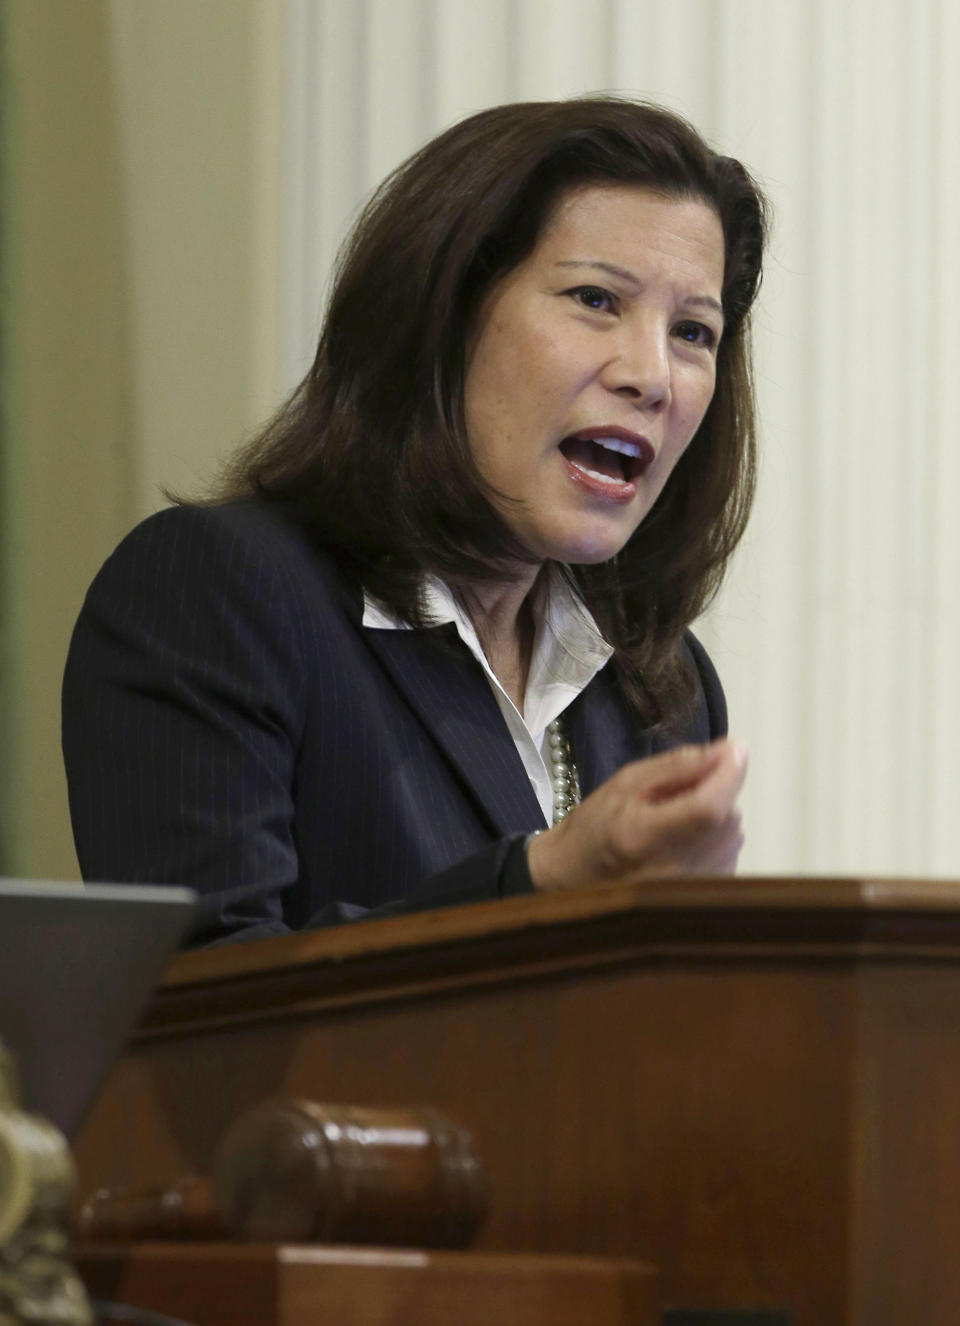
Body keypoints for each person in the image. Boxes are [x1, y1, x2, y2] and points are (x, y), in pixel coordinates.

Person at [62, 97, 768, 945]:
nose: (653, 375)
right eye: (594, 299)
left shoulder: (661, 689)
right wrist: (536, 883)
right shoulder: (216, 595)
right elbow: (201, 1014)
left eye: (694, 331)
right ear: (442, 315)